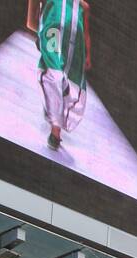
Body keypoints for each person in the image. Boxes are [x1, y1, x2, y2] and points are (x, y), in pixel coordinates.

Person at [36, 0, 91, 151]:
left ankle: (57, 129)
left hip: (74, 51)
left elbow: (86, 33)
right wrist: (39, 31)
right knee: (54, 79)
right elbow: (41, 9)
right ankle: (55, 131)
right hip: (53, 40)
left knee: (68, 89)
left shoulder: (83, 6)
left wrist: (88, 55)